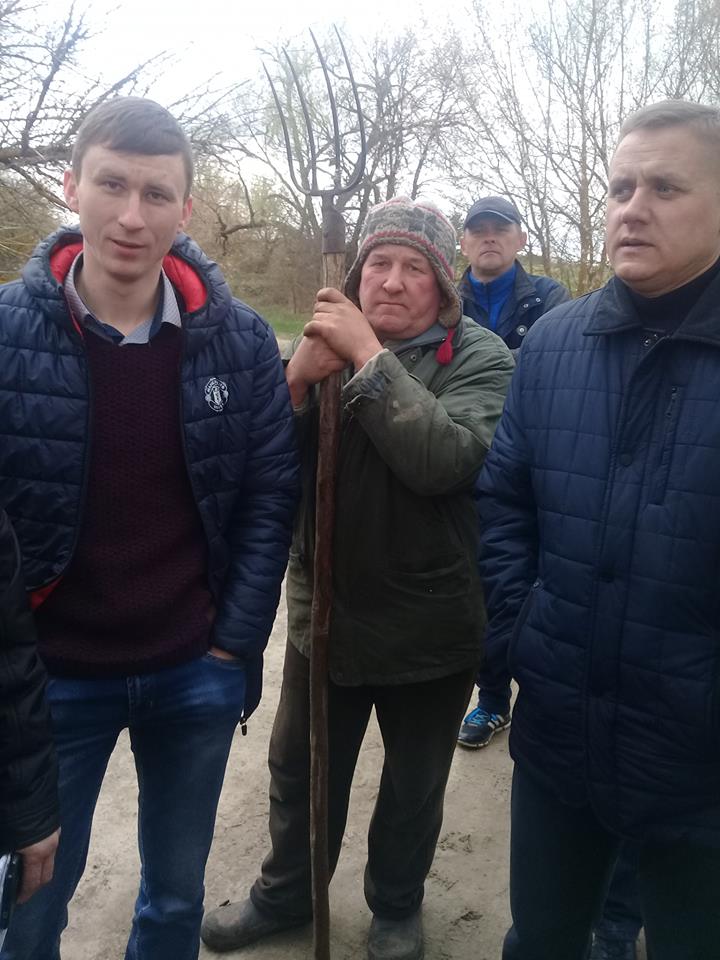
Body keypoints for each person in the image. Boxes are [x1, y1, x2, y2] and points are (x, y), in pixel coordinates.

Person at [0, 97, 299, 960]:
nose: (132, 216)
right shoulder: (9, 335)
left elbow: (267, 497)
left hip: (191, 671)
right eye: (112, 185)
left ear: (186, 209)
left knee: (173, 902)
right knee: (30, 913)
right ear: (71, 186)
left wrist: (233, 644)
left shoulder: (239, 341)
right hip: (52, 683)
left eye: (157, 194)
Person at [201, 197, 514, 960]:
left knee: (413, 783)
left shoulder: (483, 358)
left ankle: (396, 907)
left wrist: (369, 360)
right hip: (326, 612)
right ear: (357, 272)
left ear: (444, 284)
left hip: (430, 620)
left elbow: (445, 462)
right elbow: (253, 471)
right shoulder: (317, 344)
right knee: (299, 771)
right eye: (379, 263)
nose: (393, 281)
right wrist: (294, 385)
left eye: (415, 268)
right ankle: (286, 894)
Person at [477, 99, 720, 960]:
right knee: (543, 938)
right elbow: (505, 502)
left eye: (665, 188)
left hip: (700, 761)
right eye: (620, 189)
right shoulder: (553, 344)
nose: (632, 208)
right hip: (561, 734)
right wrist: (523, 628)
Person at [456, 195, 570, 750]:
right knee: (483, 581)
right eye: (478, 229)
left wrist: (478, 372)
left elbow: (557, 368)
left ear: (520, 239)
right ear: (463, 243)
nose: (489, 237)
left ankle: (548, 697)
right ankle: (493, 698)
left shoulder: (550, 298)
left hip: (534, 460)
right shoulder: (445, 298)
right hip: (465, 455)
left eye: (499, 229)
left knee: (536, 578)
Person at [0, 509, 60, 906]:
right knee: (33, 920)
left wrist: (232, 642)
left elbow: (8, 650)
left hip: (189, 660)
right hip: (62, 666)